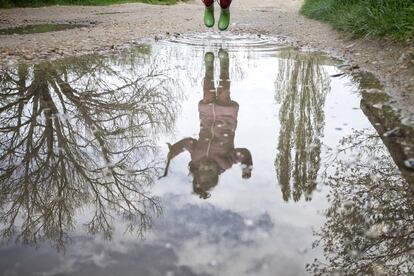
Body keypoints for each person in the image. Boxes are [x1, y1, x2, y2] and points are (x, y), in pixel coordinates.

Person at [163, 49, 253, 199]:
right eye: (209, 171)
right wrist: (247, 167)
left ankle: (209, 68)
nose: (206, 167)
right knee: (224, 92)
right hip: (226, 116)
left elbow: (188, 143)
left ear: (197, 170)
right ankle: (224, 66)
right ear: (217, 173)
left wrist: (174, 150)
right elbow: (243, 153)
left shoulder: (196, 157)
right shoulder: (225, 162)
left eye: (202, 170)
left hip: (207, 116)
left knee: (208, 93)